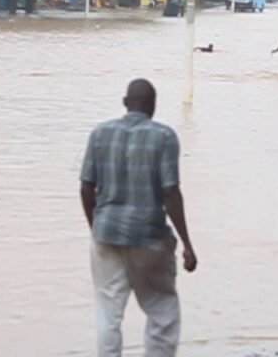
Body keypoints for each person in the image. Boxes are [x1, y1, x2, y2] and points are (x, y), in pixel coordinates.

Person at [80, 79, 197, 357]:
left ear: (125, 103)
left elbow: (86, 187)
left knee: (108, 312)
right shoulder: (164, 137)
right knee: (161, 309)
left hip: (106, 235)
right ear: (153, 105)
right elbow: (170, 193)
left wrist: (96, 227)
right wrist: (188, 244)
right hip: (149, 237)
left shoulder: (100, 134)